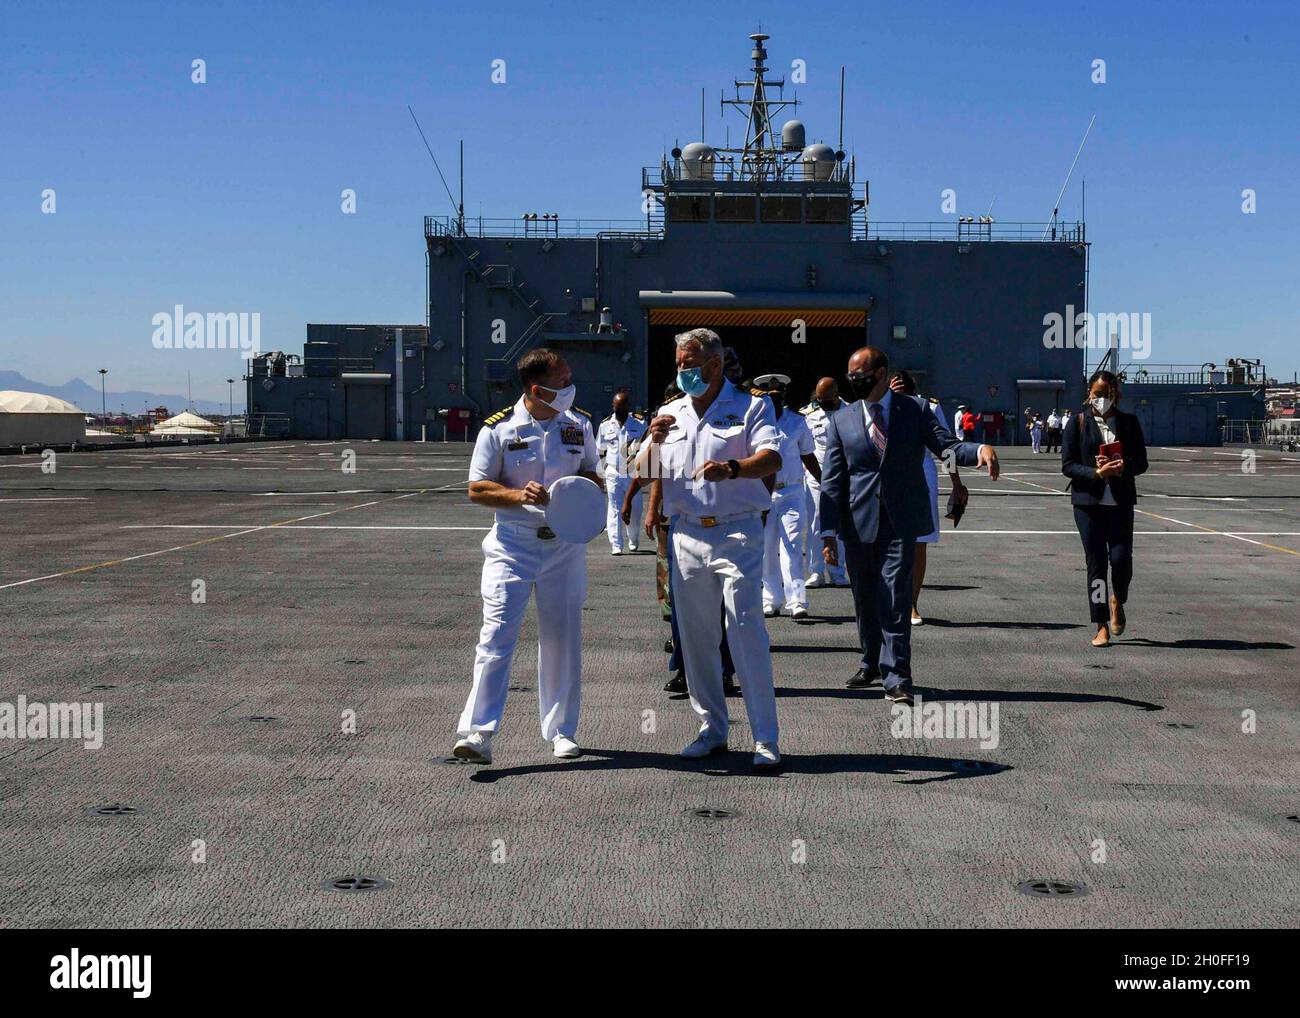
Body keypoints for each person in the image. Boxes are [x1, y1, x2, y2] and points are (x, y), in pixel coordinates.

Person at [819, 348, 999, 705]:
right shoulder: (841, 420)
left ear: (882, 373)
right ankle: (871, 661)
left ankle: (897, 675)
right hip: (857, 523)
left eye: (861, 375)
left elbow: (945, 446)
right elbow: (832, 481)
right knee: (865, 598)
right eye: (851, 376)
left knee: (895, 597)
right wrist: (828, 531)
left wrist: (978, 450)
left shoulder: (914, 410)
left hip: (901, 521)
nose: (855, 382)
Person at [451, 348, 601, 763]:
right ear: (538, 389)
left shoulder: (580, 425)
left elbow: (593, 473)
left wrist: (579, 490)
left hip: (563, 546)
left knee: (561, 640)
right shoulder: (498, 430)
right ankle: (477, 733)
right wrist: (519, 494)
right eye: (563, 381)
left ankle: (562, 731)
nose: (571, 386)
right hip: (512, 545)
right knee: (496, 636)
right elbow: (477, 488)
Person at [645, 327, 784, 768]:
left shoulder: (751, 406)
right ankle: (711, 729)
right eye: (680, 365)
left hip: (737, 532)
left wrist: (732, 467)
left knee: (746, 630)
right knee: (696, 637)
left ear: (715, 365)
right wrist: (654, 439)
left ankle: (765, 737)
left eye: (690, 365)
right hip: (686, 534)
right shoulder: (671, 412)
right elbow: (645, 469)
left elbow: (772, 458)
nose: (683, 372)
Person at [1061, 370, 1149, 648]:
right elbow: (1068, 465)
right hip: (1088, 504)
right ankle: (1100, 625)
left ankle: (1118, 599)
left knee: (1122, 561)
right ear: (1089, 393)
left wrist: (1124, 468)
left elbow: (1142, 462)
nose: (1102, 399)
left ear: (1116, 395)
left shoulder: (1129, 422)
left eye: (1107, 394)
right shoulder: (1076, 423)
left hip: (1120, 503)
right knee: (1096, 564)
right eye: (1097, 394)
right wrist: (1096, 473)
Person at [889, 371, 969, 626]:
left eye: (903, 385)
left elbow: (946, 447)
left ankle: (912, 604)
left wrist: (957, 484)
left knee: (919, 543)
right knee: (889, 541)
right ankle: (893, 602)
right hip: (889, 473)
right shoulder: (882, 405)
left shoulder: (929, 407)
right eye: (894, 385)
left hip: (922, 471)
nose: (898, 388)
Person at [754, 373, 820, 620]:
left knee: (792, 545)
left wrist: (824, 482)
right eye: (770, 397)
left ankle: (798, 600)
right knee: (767, 548)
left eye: (778, 397)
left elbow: (808, 455)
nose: (774, 401)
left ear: (784, 397)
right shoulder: (757, 422)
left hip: (791, 490)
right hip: (764, 493)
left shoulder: (797, 422)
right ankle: (770, 599)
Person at [801, 378, 848, 588]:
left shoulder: (854, 413)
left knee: (843, 525)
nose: (823, 404)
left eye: (827, 400)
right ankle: (816, 571)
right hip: (817, 477)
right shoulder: (809, 417)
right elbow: (805, 449)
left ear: (837, 394)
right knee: (815, 524)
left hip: (845, 477)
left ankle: (838, 571)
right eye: (819, 400)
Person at [596, 391, 647, 554]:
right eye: (616, 406)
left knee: (636, 508)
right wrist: (601, 472)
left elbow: (646, 448)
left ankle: (633, 537)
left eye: (622, 405)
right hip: (613, 472)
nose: (619, 409)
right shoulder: (605, 425)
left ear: (627, 406)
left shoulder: (639, 423)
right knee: (615, 507)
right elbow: (600, 450)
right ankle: (616, 544)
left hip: (633, 472)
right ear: (613, 406)